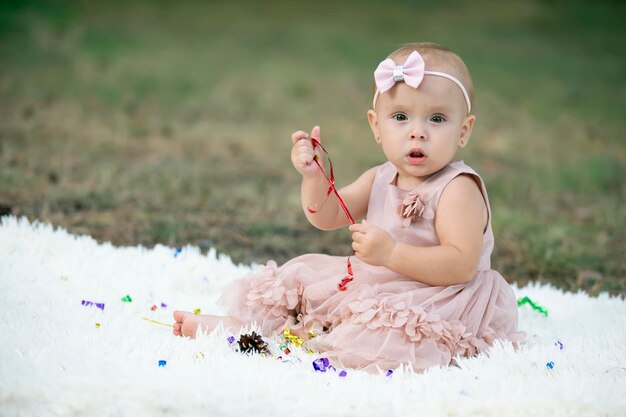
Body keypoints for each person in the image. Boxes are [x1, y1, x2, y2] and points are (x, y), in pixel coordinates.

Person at [173, 42, 525, 373]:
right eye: (400, 117)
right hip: (379, 279)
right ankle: (244, 329)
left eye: (436, 119)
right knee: (298, 281)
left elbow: (461, 266)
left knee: (390, 332)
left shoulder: (458, 188)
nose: (417, 132)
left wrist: (391, 253)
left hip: (440, 296)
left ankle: (311, 339)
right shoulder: (381, 177)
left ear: (464, 131)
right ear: (376, 125)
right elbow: (326, 216)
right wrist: (313, 176)